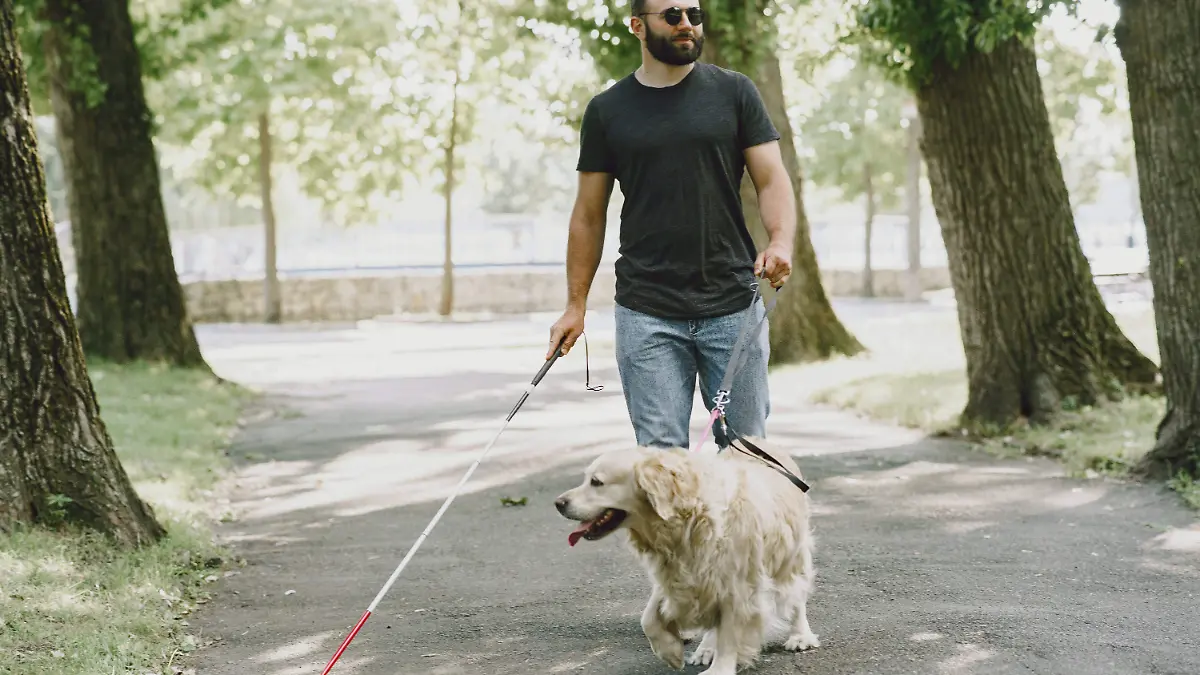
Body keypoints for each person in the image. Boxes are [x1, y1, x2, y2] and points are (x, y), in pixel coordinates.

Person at [546, 0, 797, 450]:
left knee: (747, 453)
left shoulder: (735, 92)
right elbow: (588, 215)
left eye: (694, 15)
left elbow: (771, 178)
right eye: (672, 15)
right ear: (637, 26)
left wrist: (779, 241)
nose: (687, 25)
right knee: (660, 463)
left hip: (731, 304)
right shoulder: (607, 110)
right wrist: (575, 305)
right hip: (646, 312)